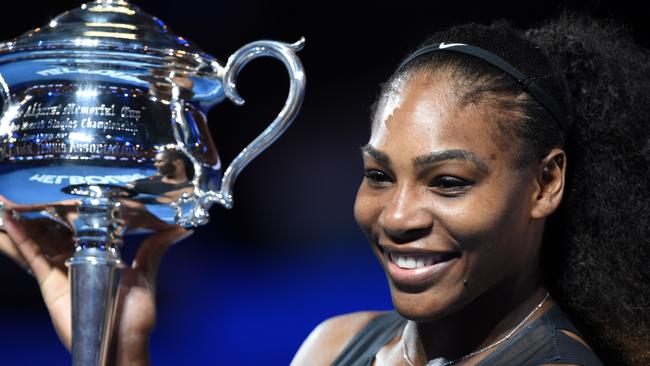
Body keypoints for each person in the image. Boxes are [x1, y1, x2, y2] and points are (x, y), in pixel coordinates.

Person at [1, 11, 649, 366]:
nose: (396, 216)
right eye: (378, 175)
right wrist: (120, 348)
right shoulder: (337, 344)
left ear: (545, 184)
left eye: (448, 182)